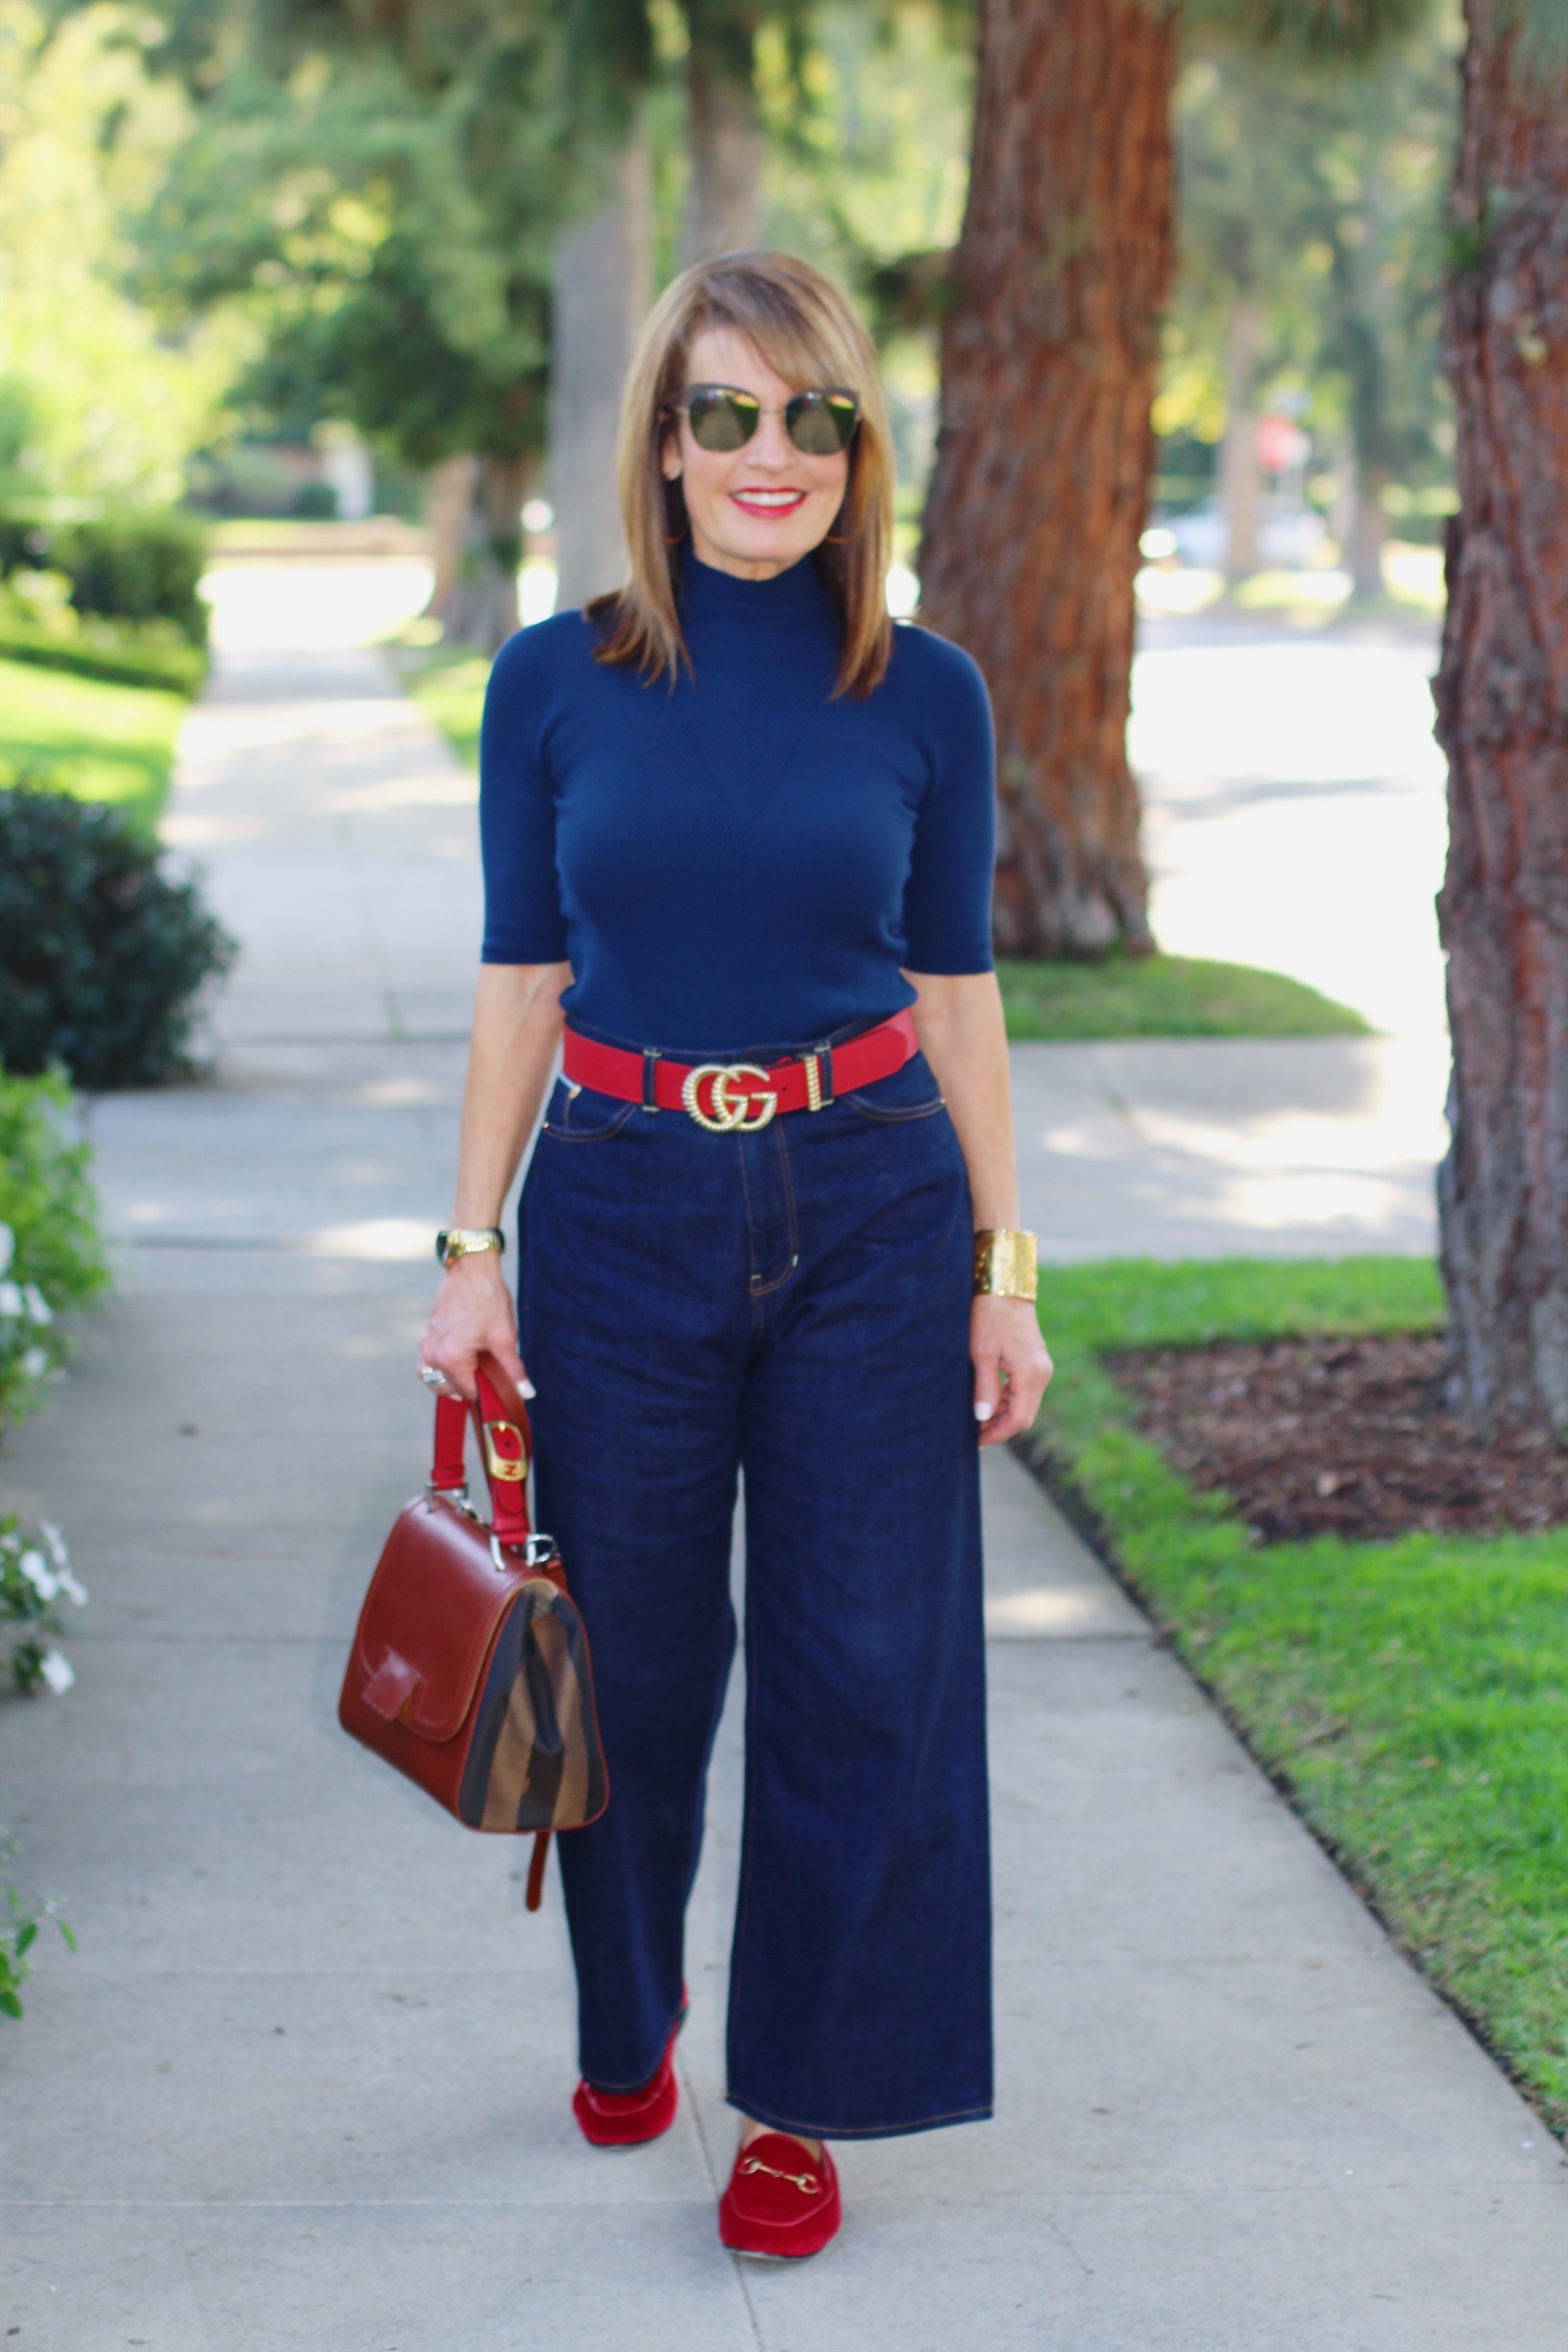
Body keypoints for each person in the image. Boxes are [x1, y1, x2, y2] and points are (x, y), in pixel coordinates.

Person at [419, 249, 1052, 2261]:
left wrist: (1002, 1270)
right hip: (614, 1208)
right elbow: (523, 979)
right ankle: (631, 2013)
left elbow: (958, 998)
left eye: (811, 417)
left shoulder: (924, 692)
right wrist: (470, 1250)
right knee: (637, 1664)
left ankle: (802, 2101)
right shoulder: (555, 677)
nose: (769, 455)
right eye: (725, 414)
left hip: (868, 1199)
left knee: (870, 1662)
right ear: (665, 445)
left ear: (860, 449)